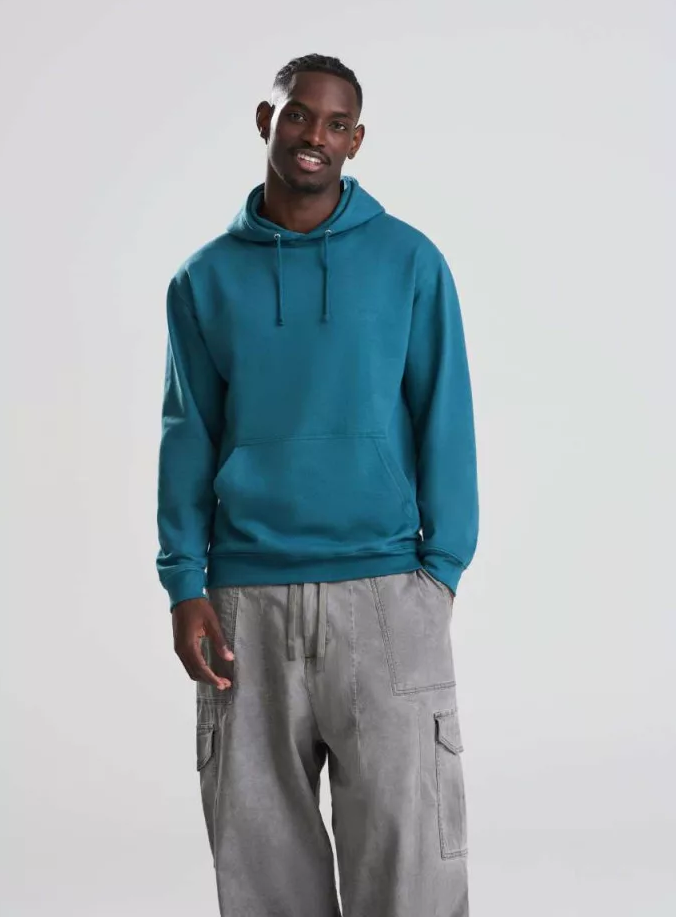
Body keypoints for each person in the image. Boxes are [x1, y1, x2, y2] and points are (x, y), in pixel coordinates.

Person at [155, 52, 479, 917]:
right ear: (268, 120)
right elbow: (187, 435)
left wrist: (439, 575)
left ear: (356, 141)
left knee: (410, 875)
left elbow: (444, 418)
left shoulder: (409, 262)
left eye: (337, 124)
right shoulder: (203, 279)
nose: (315, 137)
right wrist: (185, 583)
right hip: (245, 606)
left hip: (386, 593)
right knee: (264, 879)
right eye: (299, 114)